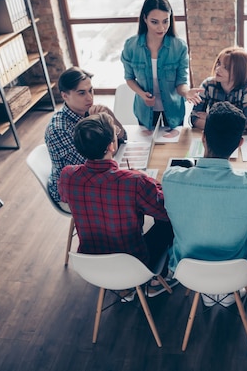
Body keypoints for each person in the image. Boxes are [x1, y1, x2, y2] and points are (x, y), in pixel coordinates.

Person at [162, 102, 247, 307]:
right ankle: (227, 288)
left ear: (203, 138)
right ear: (239, 143)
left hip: (187, 267)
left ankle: (208, 290)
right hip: (237, 269)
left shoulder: (171, 178)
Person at [58, 113, 175, 297]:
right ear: (112, 146)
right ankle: (155, 280)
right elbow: (167, 212)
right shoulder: (134, 181)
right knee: (168, 224)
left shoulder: (68, 175)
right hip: (133, 265)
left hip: (92, 264)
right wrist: (150, 181)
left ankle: (125, 290)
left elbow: (65, 198)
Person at [45, 67, 126, 208]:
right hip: (73, 191)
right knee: (132, 191)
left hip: (94, 175)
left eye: (91, 90)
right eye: (81, 93)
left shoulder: (89, 112)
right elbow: (92, 166)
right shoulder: (59, 130)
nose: (90, 98)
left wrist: (109, 115)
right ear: (65, 96)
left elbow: (123, 137)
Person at [121, 0, 201, 130]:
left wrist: (187, 92)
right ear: (145, 18)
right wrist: (142, 94)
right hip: (145, 110)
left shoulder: (179, 47)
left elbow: (181, 82)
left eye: (165, 21)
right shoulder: (131, 46)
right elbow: (129, 78)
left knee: (174, 148)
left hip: (173, 109)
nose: (161, 28)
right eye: (154, 22)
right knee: (148, 147)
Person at [190, 46, 247, 134]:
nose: (218, 69)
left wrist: (213, 120)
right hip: (215, 138)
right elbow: (194, 118)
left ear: (239, 72)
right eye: (218, 63)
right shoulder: (208, 85)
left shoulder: (246, 90)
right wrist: (234, 124)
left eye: (226, 67)